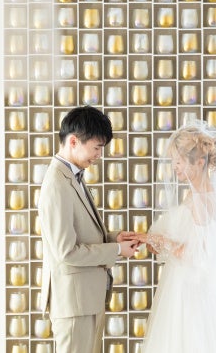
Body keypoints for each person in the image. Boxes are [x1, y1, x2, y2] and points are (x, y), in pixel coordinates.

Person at [134, 120, 216, 353]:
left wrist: (156, 240)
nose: (174, 167)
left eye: (178, 161)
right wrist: (156, 241)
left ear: (199, 162)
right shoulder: (197, 194)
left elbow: (199, 255)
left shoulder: (202, 199)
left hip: (191, 293)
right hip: (182, 286)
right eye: (173, 161)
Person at [38, 105, 140, 353]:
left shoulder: (72, 177)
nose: (99, 155)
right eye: (97, 147)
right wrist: (117, 250)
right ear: (74, 141)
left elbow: (81, 233)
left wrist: (113, 238)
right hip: (74, 305)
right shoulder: (57, 184)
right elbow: (66, 251)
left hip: (85, 301)